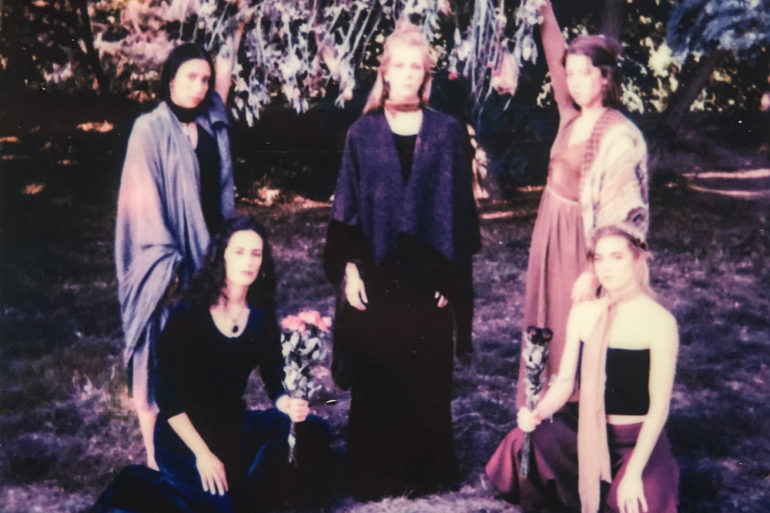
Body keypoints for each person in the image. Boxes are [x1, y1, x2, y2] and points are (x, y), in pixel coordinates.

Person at [487, 1, 649, 510]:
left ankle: (580, 422)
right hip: (550, 232)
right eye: (572, 74)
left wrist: (593, 270)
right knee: (546, 322)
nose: (576, 82)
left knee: (576, 324)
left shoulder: (619, 135)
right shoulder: (568, 116)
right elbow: (555, 57)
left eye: (586, 74)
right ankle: (542, 412)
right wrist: (544, 12)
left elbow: (624, 216)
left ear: (605, 78)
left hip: (583, 247)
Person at [323, 22, 481, 501]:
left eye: (417, 67)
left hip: (429, 275)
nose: (409, 74)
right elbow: (347, 206)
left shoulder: (446, 132)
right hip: (377, 270)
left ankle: (427, 471)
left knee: (426, 375)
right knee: (378, 373)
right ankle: (377, 473)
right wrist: (349, 268)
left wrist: (451, 278)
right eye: (400, 65)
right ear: (385, 72)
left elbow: (458, 210)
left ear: (425, 75)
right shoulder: (362, 133)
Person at [94, 216, 330, 513]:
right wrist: (203, 455)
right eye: (239, 251)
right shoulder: (188, 315)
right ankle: (138, 486)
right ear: (222, 256)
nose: (248, 261)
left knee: (314, 429)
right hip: (183, 440)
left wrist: (287, 403)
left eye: (256, 253)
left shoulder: (261, 318)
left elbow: (274, 378)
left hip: (231, 429)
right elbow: (166, 394)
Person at [115, 18, 247, 469]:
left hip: (210, 253)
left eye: (205, 79)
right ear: (170, 80)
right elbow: (142, 200)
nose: (199, 86)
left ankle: (200, 448)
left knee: (204, 354)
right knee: (159, 353)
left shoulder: (213, 126)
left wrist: (228, 246)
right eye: (190, 77)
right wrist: (166, 264)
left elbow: (223, 190)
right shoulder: (148, 130)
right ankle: (156, 459)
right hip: (167, 261)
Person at [502, 224, 679, 513]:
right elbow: (564, 383)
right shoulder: (584, 313)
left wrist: (633, 475)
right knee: (523, 442)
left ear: (637, 259)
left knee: (637, 503)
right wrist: (537, 414)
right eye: (599, 258)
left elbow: (659, 408)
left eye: (617, 257)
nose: (606, 267)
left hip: (635, 438)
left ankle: (628, 481)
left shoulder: (660, 322)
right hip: (586, 430)